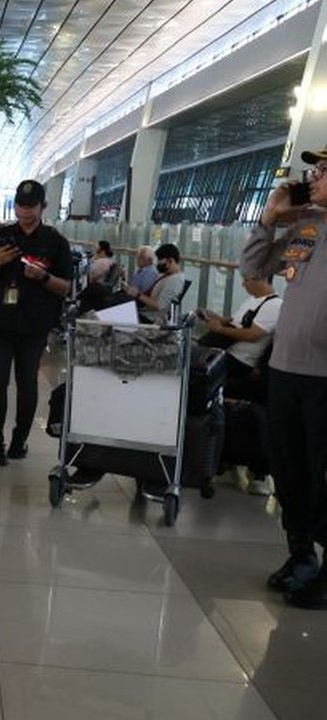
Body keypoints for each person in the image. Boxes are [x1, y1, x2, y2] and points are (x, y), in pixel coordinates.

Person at [243, 149, 327, 609]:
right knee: (289, 468)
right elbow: (254, 272)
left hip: (323, 377)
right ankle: (300, 554)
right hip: (286, 370)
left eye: (323, 171)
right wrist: (270, 219)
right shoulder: (307, 226)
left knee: (322, 475)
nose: (312, 178)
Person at [0, 180, 73, 468]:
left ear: (43, 207)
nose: (25, 211)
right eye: (20, 205)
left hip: (34, 326)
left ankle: (19, 442)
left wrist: (43, 277)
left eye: (31, 206)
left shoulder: (55, 242)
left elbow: (65, 287)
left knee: (27, 384)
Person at [127, 243, 186, 323]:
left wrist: (138, 295)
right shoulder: (166, 275)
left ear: (170, 261)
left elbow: (159, 305)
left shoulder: (175, 281)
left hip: (150, 318)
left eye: (160, 262)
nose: (157, 264)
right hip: (143, 311)